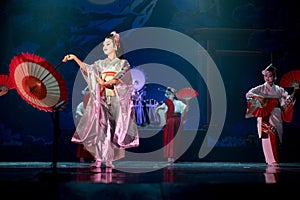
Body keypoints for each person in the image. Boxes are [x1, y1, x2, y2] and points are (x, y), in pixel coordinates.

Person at [63, 31, 139, 168]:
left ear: (116, 46)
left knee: (112, 130)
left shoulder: (122, 63)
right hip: (102, 99)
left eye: (108, 44)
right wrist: (75, 58)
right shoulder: (100, 64)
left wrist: (106, 82)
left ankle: (109, 159)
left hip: (115, 98)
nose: (105, 47)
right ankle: (98, 158)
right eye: (104, 44)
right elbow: (89, 69)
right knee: (100, 128)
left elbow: (121, 77)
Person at [245, 64, 298, 167]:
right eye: (266, 76)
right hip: (265, 115)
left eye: (270, 76)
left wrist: (295, 92)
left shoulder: (279, 90)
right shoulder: (260, 88)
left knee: (277, 137)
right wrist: (262, 101)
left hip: (276, 115)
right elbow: (248, 95)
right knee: (266, 139)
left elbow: (288, 100)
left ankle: (276, 161)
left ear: (275, 77)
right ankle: (270, 161)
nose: (267, 78)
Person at [155, 87, 189, 164]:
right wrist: (158, 109)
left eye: (171, 94)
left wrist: (187, 102)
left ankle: (175, 156)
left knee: (177, 138)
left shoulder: (179, 103)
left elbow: (185, 109)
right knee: (169, 139)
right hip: (169, 122)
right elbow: (159, 111)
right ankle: (169, 156)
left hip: (177, 121)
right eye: (168, 94)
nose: (170, 95)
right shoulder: (165, 104)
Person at [74, 87, 94, 163]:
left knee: (92, 143)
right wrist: (84, 116)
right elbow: (78, 112)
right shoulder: (81, 104)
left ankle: (92, 157)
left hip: (91, 126)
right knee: (82, 143)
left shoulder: (93, 104)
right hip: (84, 126)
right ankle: (82, 157)